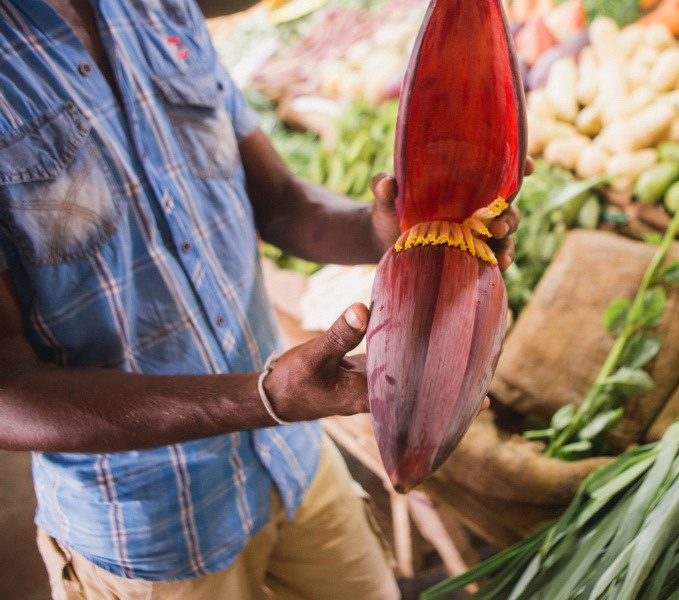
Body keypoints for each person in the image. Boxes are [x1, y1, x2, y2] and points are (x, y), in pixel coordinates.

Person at [0, 0, 524, 598]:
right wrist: (264, 397)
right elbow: (6, 389)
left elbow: (279, 202)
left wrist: (388, 229)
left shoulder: (160, 10)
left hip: (295, 463)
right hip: (152, 530)